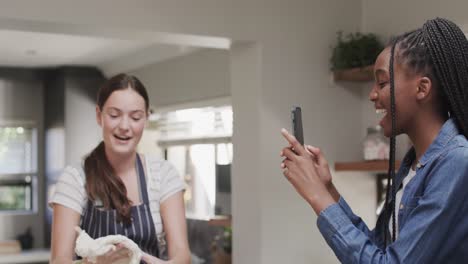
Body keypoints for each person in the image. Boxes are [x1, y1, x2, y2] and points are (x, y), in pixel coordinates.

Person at [280, 17, 468, 263]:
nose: (372, 95)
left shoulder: (457, 162)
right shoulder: (413, 165)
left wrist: (318, 196)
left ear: (422, 88)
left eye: (382, 83)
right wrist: (328, 189)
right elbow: (379, 250)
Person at [49, 73, 190, 264]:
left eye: (135, 117)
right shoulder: (75, 178)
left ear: (146, 119)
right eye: (114, 115)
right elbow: (59, 260)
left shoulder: (164, 175)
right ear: (99, 116)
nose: (124, 126)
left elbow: (182, 256)